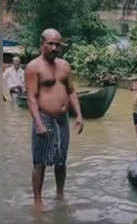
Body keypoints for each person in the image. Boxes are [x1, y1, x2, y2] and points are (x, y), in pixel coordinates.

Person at [25, 28, 84, 210]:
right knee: (40, 162)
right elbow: (32, 98)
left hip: (62, 119)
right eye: (50, 43)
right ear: (42, 44)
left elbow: (71, 91)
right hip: (44, 117)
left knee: (61, 160)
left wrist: (79, 115)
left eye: (57, 44)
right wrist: (39, 123)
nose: (54, 47)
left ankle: (60, 195)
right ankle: (38, 201)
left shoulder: (65, 65)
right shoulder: (33, 67)